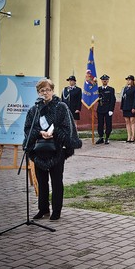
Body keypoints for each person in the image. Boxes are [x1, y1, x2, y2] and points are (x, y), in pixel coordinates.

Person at [24, 78, 78, 221]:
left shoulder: (61, 107)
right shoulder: (33, 109)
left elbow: (68, 127)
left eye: (48, 89)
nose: (45, 92)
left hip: (57, 149)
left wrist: (54, 133)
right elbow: (28, 128)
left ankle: (56, 211)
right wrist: (39, 132)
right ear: (38, 92)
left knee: (56, 181)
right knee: (42, 182)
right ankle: (43, 209)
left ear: (52, 91)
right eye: (42, 90)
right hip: (39, 151)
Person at [96, 74, 116, 144]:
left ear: (108, 81)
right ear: (101, 80)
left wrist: (111, 110)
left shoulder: (111, 89)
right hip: (100, 109)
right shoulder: (98, 89)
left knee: (108, 124)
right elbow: (95, 99)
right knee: (100, 124)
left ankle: (107, 137)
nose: (104, 81)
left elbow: (113, 100)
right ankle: (101, 137)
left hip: (108, 109)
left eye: (106, 80)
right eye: (103, 80)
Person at [121, 75, 135, 143]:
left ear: (132, 81)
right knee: (127, 121)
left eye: (129, 80)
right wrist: (122, 107)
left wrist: (134, 107)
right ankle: (128, 136)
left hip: (132, 107)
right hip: (125, 107)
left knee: (132, 121)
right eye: (127, 80)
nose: (128, 81)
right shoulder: (125, 88)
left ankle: (133, 136)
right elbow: (123, 98)